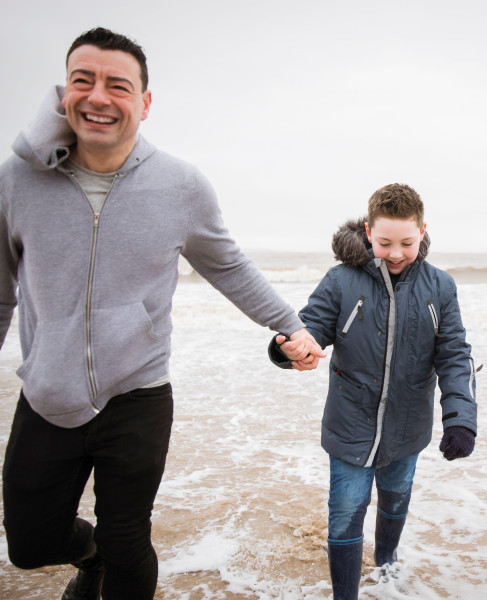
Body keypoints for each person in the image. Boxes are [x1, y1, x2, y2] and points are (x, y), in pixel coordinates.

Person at [0, 27, 323, 600]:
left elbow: (227, 265)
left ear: (144, 104)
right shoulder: (17, 181)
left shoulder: (180, 185)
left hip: (138, 392)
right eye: (83, 80)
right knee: (29, 544)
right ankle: (89, 555)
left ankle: (111, 557)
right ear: (63, 92)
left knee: (130, 541)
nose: (99, 96)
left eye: (117, 86)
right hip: (48, 392)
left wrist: (289, 324)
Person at [271, 183, 478, 599]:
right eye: (384, 243)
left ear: (423, 231)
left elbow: (455, 356)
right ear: (368, 232)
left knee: (396, 499)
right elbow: (307, 330)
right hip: (350, 426)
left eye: (407, 242)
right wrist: (286, 348)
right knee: (345, 512)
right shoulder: (341, 280)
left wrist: (460, 420)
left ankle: (386, 567)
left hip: (408, 427)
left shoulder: (440, 287)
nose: (397, 253)